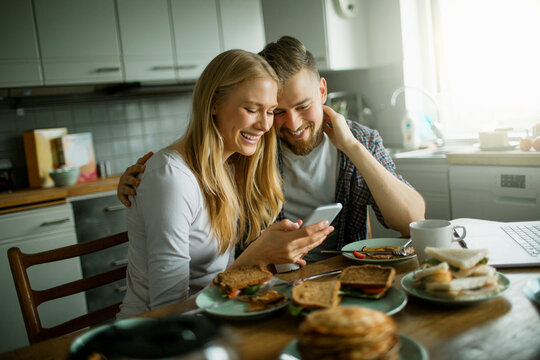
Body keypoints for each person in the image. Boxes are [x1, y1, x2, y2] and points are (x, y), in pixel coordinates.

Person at [117, 36, 425, 265]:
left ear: (322, 91)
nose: (292, 123)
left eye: (303, 106)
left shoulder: (359, 139)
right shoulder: (251, 145)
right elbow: (192, 165)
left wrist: (353, 147)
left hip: (344, 277)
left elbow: (412, 219)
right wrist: (144, 179)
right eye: (277, 111)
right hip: (266, 288)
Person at [116, 49, 334, 319]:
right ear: (213, 104)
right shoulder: (171, 178)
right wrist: (255, 258)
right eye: (252, 109)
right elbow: (167, 311)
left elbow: (216, 281)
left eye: (270, 111)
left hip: (214, 318)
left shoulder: (230, 167)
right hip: (155, 337)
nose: (265, 125)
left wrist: (273, 258)